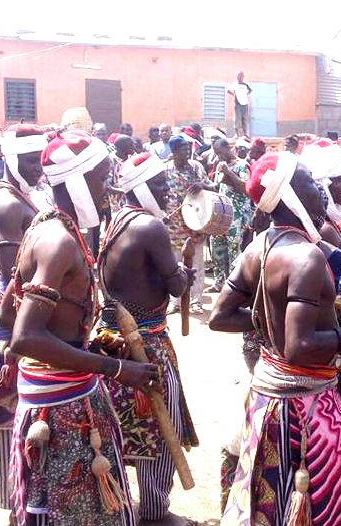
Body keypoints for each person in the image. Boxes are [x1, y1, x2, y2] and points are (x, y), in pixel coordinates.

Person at [209, 152, 341, 525]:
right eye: (309, 182)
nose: (320, 191)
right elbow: (299, 348)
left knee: (272, 497)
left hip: (267, 398)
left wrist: (268, 323)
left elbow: (220, 317)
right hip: (308, 407)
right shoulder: (307, 257)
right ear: (288, 194)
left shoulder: (257, 248)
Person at [8, 130, 159, 526]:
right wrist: (117, 369)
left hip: (62, 394)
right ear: (78, 180)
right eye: (102, 175)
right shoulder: (58, 242)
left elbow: (12, 313)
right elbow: (24, 336)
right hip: (61, 409)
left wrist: (91, 344)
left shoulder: (44, 228)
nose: (108, 186)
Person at [97, 152, 199, 523]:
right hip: (146, 343)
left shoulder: (118, 220)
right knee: (160, 425)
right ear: (141, 187)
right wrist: (184, 270)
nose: (166, 191)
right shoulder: (148, 227)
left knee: (123, 428)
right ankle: (156, 513)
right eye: (158, 184)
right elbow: (175, 285)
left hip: (113, 337)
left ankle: (122, 506)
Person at [0, 124, 46, 512]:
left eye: (40, 160)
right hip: (14, 319)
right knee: (11, 405)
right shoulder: (7, 205)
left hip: (19, 316)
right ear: (10, 159)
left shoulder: (19, 196)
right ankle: (12, 501)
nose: (38, 169)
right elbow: (14, 278)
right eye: (30, 162)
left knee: (20, 405)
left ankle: (20, 496)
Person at [165, 136, 214, 313]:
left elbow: (212, 186)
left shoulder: (196, 167)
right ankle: (174, 301)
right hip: (173, 226)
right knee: (174, 266)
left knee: (197, 265)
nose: (187, 152)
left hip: (194, 225)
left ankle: (196, 301)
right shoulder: (165, 170)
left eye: (188, 149)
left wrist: (202, 185)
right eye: (183, 149)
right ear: (174, 152)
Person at [209, 138, 251, 291]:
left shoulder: (242, 165)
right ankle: (219, 282)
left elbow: (245, 188)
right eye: (216, 154)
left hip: (237, 215)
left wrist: (228, 172)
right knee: (217, 248)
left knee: (234, 250)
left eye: (220, 152)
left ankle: (234, 287)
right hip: (220, 215)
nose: (218, 156)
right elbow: (217, 187)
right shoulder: (220, 166)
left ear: (229, 148)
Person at [227, 71, 252, 137]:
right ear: (237, 77)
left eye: (241, 76)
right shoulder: (235, 84)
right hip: (238, 104)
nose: (240, 77)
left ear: (243, 77)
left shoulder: (245, 85)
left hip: (245, 104)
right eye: (239, 76)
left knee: (245, 119)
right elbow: (228, 90)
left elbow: (250, 90)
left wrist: (244, 95)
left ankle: (245, 133)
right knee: (237, 119)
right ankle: (236, 133)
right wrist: (234, 95)